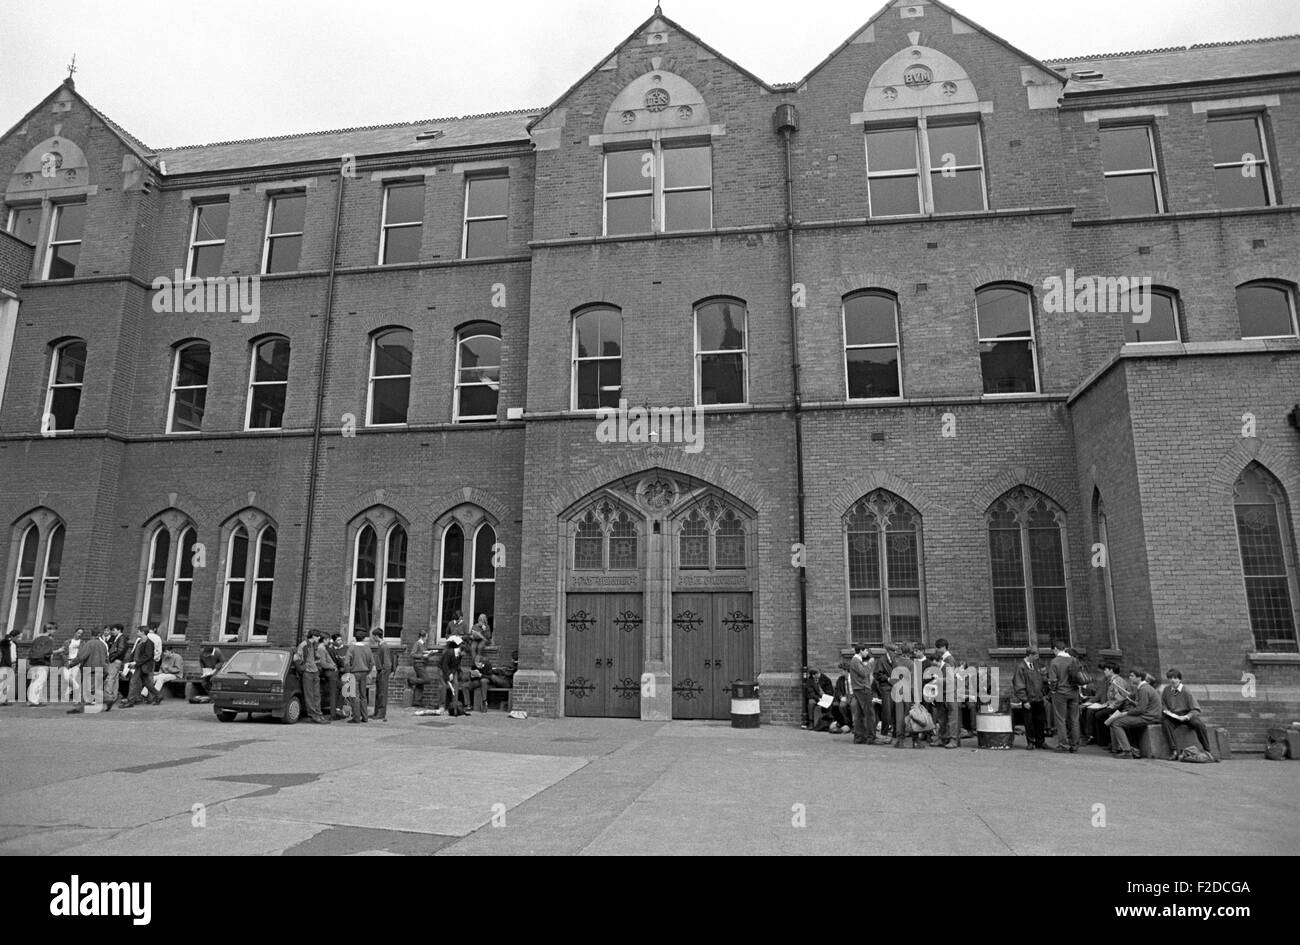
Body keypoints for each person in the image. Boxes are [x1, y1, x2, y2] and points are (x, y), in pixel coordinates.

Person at [1106, 669, 1161, 758]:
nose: (1129, 678)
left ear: (1139, 678)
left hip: (1149, 716)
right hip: (1149, 714)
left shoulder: (1143, 689)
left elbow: (1140, 709)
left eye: (1132, 676)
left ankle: (1127, 751)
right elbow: (1142, 705)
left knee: (1116, 723)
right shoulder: (1143, 688)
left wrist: (1125, 713)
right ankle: (1133, 749)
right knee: (1121, 721)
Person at [1161, 669, 1216, 758]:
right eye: (1170, 678)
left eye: (1175, 678)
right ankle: (1174, 750)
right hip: (1173, 715)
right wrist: (1166, 711)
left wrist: (1186, 717)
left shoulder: (1186, 691)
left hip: (1186, 715)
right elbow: (1163, 704)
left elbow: (1195, 709)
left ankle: (1207, 750)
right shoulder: (1166, 690)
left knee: (1199, 725)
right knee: (1165, 723)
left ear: (1180, 679)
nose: (1173, 680)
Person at [1082, 662, 1129, 748]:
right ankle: (1099, 739)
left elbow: (1121, 697)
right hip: (1110, 704)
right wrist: (1105, 704)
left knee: (1099, 715)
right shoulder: (1110, 680)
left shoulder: (1118, 681)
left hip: (1118, 706)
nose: (1104, 671)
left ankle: (1105, 740)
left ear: (1111, 670)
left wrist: (1111, 705)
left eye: (1106, 670)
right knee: (1094, 713)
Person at [1046, 640, 1081, 753]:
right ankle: (1075, 744)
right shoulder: (1073, 660)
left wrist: (1052, 691)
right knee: (1074, 719)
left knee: (1061, 719)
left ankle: (1063, 744)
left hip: (1060, 693)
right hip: (1074, 692)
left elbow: (1053, 681)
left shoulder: (1055, 662)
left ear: (1055, 649)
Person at [1012, 647, 1048, 750]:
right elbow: (1019, 684)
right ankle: (1031, 742)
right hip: (1029, 699)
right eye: (1036, 656)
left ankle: (1040, 742)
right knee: (1029, 722)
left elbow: (1042, 680)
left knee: (1040, 721)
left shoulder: (1036, 666)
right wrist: (1024, 700)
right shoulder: (1021, 667)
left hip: (1038, 698)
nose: (1037, 658)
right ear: (1030, 655)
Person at [66, 628, 108, 713]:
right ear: (99, 635)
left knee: (87, 688)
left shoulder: (89, 644)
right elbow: (106, 657)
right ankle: (107, 699)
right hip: (101, 668)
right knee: (95, 688)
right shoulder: (103, 644)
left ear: (91, 635)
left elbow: (81, 656)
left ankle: (81, 707)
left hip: (90, 668)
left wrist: (71, 664)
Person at [293, 631, 330, 723]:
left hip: (315, 672)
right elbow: (296, 658)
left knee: (317, 695)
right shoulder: (304, 645)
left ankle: (319, 714)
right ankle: (313, 715)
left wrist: (318, 668)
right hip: (308, 673)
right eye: (318, 637)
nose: (319, 639)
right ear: (313, 636)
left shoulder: (314, 645)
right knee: (310, 696)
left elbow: (316, 658)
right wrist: (303, 669)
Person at [930, 638, 960, 749]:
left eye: (935, 664)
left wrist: (938, 680)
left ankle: (953, 739)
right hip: (943, 693)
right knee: (942, 717)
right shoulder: (943, 663)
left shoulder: (948, 662)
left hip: (950, 693)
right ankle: (942, 738)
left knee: (952, 717)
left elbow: (951, 679)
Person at [120, 625, 160, 708]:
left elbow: (148, 656)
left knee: (133, 682)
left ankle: (130, 701)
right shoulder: (140, 641)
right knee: (147, 684)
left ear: (143, 632)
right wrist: (133, 661)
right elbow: (137, 653)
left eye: (138, 631)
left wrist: (136, 663)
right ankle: (158, 696)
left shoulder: (149, 643)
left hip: (143, 666)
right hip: (140, 666)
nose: (137, 632)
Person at [848, 644, 877, 744]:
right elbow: (864, 673)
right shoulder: (856, 661)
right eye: (866, 651)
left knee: (859, 714)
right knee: (869, 714)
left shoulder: (856, 661)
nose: (867, 653)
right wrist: (870, 663)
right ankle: (871, 737)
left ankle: (860, 737)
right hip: (862, 689)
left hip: (859, 689)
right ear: (861, 650)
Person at [345, 630, 375, 723]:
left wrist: (348, 673)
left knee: (355, 696)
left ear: (355, 637)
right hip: (364, 673)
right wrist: (368, 671)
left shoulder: (351, 648)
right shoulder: (367, 648)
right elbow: (372, 662)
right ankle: (365, 717)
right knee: (363, 696)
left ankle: (356, 718)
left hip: (354, 673)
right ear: (364, 638)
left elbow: (346, 663)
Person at [873, 643, 899, 739]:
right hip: (886, 688)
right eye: (893, 652)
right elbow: (876, 674)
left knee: (896, 710)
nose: (895, 654)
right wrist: (887, 679)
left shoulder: (895, 660)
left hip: (896, 687)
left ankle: (896, 732)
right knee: (887, 711)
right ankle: (884, 732)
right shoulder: (881, 660)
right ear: (889, 651)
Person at [369, 628, 397, 721]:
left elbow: (387, 662)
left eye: (373, 636)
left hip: (383, 672)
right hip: (380, 671)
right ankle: (377, 712)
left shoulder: (384, 647)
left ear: (376, 636)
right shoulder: (381, 646)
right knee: (379, 693)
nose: (372, 638)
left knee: (382, 693)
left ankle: (381, 713)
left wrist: (384, 673)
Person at [26, 624, 55, 706]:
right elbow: (48, 652)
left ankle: (35, 700)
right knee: (39, 682)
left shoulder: (36, 639)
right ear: (49, 630)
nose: (54, 631)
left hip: (34, 662)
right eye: (53, 630)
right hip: (43, 663)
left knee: (34, 682)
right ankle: (34, 701)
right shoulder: (49, 640)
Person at [54, 627, 84, 705]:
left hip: (76, 662)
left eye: (81, 633)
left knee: (73, 679)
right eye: (78, 632)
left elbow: (83, 654)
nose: (79, 634)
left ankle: (70, 697)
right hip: (68, 662)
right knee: (67, 678)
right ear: (75, 632)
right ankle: (77, 689)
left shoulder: (82, 643)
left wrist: (79, 661)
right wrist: (66, 661)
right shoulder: (68, 642)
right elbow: (62, 652)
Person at [439, 637, 467, 715]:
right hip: (442, 669)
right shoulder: (449, 652)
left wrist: (452, 673)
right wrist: (448, 674)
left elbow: (456, 666)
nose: (464, 655)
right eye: (464, 653)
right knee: (444, 686)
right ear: (461, 650)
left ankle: (454, 705)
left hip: (452, 670)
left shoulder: (460, 655)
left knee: (456, 684)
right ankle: (442, 706)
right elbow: (444, 665)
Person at [104, 624, 127, 708]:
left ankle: (108, 696)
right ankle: (114, 696)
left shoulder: (121, 638)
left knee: (110, 678)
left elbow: (120, 650)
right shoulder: (120, 638)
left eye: (113, 630)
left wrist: (112, 657)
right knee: (115, 678)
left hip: (115, 661)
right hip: (118, 660)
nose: (112, 632)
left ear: (119, 630)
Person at [803, 667, 833, 732]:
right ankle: (811, 722)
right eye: (815, 675)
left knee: (830, 703)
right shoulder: (810, 681)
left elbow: (830, 690)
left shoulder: (826, 679)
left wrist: (825, 696)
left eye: (818, 674)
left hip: (825, 697)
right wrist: (818, 698)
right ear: (813, 675)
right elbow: (810, 693)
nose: (817, 676)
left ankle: (827, 722)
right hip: (815, 698)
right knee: (811, 702)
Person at [326, 633, 349, 717]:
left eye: (341, 639)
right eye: (338, 640)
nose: (340, 641)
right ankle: (336, 709)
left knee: (344, 690)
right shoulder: (331, 650)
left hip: (344, 673)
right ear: (334, 641)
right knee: (337, 690)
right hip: (336, 673)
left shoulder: (346, 648)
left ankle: (339, 708)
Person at [409, 629, 433, 705]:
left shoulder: (422, 644)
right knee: (427, 679)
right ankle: (411, 680)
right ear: (423, 637)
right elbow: (412, 654)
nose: (427, 639)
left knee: (420, 683)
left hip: (421, 664)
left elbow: (422, 653)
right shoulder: (418, 643)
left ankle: (417, 701)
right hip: (418, 664)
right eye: (426, 637)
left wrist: (428, 653)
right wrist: (422, 656)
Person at [829, 659, 852, 734]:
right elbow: (837, 690)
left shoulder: (853, 678)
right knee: (839, 705)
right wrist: (841, 697)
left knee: (849, 705)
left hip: (853, 696)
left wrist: (848, 697)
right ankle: (845, 723)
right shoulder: (840, 679)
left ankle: (850, 724)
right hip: (844, 696)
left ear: (846, 670)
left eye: (841, 670)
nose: (840, 672)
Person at [0, 629, 20, 705]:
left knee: (7, 683)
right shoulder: (6, 643)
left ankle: (3, 700)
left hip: (11, 665)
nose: (19, 639)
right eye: (18, 637)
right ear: (14, 636)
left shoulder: (13, 644)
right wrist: (8, 638)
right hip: (5, 665)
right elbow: (3, 641)